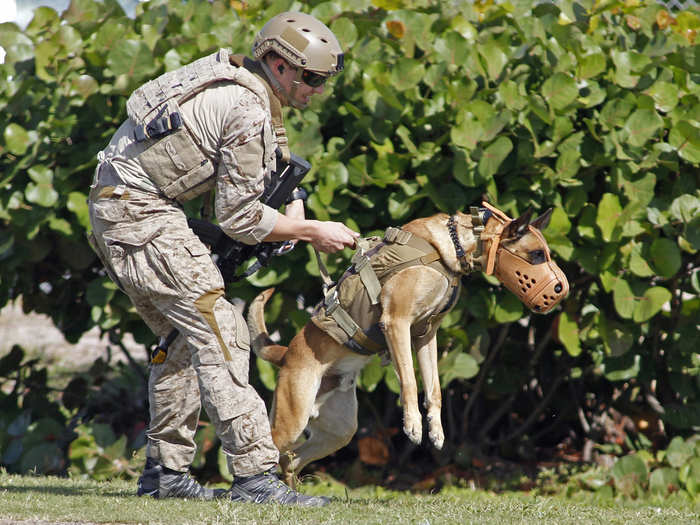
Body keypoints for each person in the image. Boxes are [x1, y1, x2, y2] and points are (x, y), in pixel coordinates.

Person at [87, 12, 358, 506]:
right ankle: (256, 477)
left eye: (324, 81)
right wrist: (310, 230)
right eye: (312, 79)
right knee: (222, 329)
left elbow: (268, 169)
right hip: (138, 213)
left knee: (187, 340)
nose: (317, 90)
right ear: (280, 65)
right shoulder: (247, 106)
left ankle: (166, 475)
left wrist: (293, 205)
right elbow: (238, 218)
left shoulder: (243, 84)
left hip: (122, 207)